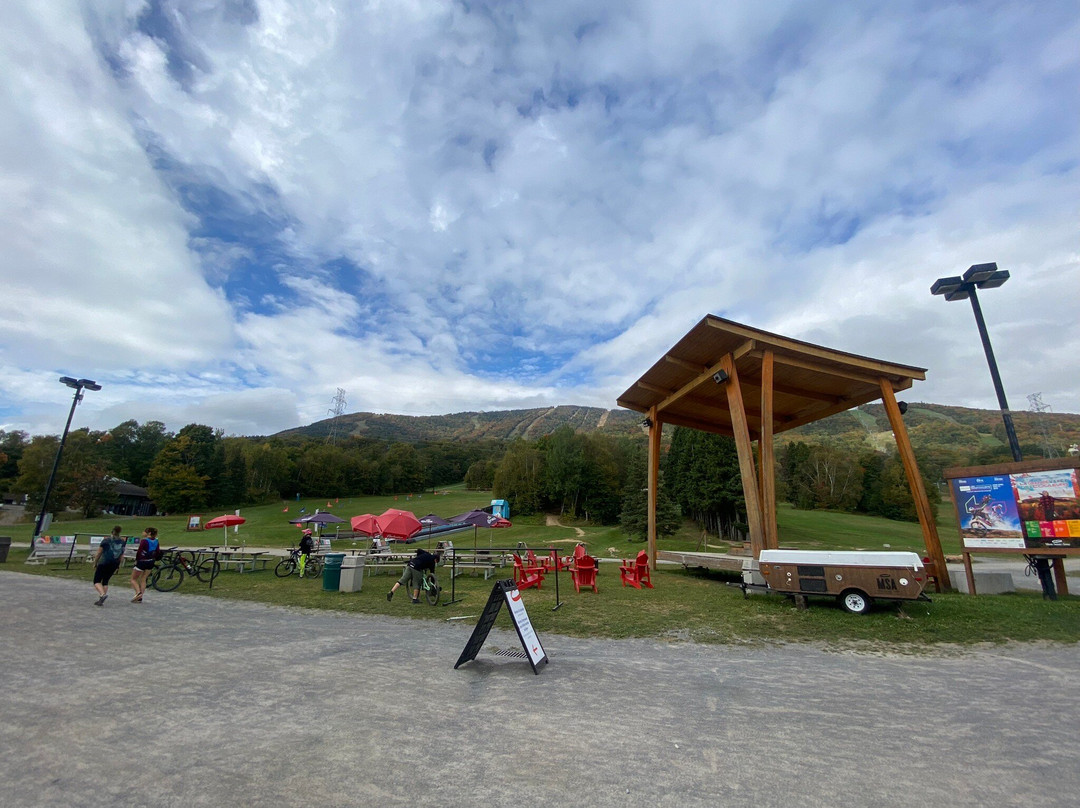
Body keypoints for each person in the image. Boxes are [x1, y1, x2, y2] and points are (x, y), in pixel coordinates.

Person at [92, 526, 127, 606]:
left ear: (112, 532)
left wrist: (95, 562)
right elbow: (122, 555)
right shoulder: (122, 542)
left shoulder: (106, 541)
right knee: (105, 580)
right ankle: (101, 598)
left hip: (104, 562)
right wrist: (119, 565)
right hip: (114, 563)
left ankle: (102, 595)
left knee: (97, 580)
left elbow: (99, 553)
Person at [129, 527, 160, 603]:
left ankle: (138, 592)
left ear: (148, 533)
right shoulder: (156, 541)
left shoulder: (144, 541)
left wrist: (136, 560)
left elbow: (139, 551)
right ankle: (140, 597)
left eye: (144, 531)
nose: (143, 533)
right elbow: (157, 551)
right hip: (150, 562)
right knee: (143, 579)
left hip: (142, 561)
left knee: (133, 579)